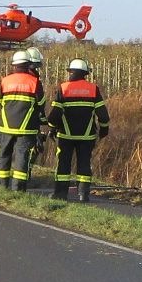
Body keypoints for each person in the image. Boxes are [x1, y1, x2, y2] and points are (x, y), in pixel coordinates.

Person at [47, 58, 110, 202]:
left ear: (71, 72)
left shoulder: (64, 88)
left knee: (63, 164)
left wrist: (51, 128)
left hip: (66, 135)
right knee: (84, 164)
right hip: (87, 137)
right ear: (85, 74)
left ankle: (61, 194)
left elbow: (55, 113)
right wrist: (104, 130)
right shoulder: (93, 89)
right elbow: (103, 115)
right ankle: (83, 195)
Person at [0, 50, 46, 192]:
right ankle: (18, 188)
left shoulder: (5, 81)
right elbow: (41, 103)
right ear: (28, 65)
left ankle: (0, 187)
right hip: (26, 128)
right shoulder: (35, 82)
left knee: (3, 154)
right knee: (22, 156)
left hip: (5, 127)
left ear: (14, 65)